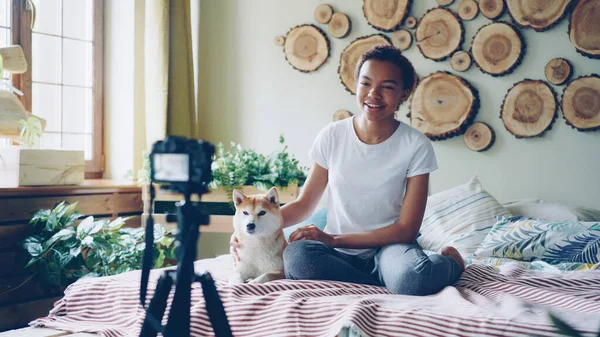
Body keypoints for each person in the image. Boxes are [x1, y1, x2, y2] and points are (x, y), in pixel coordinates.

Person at [230, 45, 464, 295]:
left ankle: (451, 263)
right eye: (366, 83)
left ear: (404, 94)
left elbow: (406, 228)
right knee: (297, 258)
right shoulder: (332, 135)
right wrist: (246, 231)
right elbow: (305, 205)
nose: (373, 94)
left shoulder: (416, 145)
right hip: (335, 253)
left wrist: (332, 239)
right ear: (356, 85)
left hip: (389, 248)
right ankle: (382, 281)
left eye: (387, 87)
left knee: (412, 278)